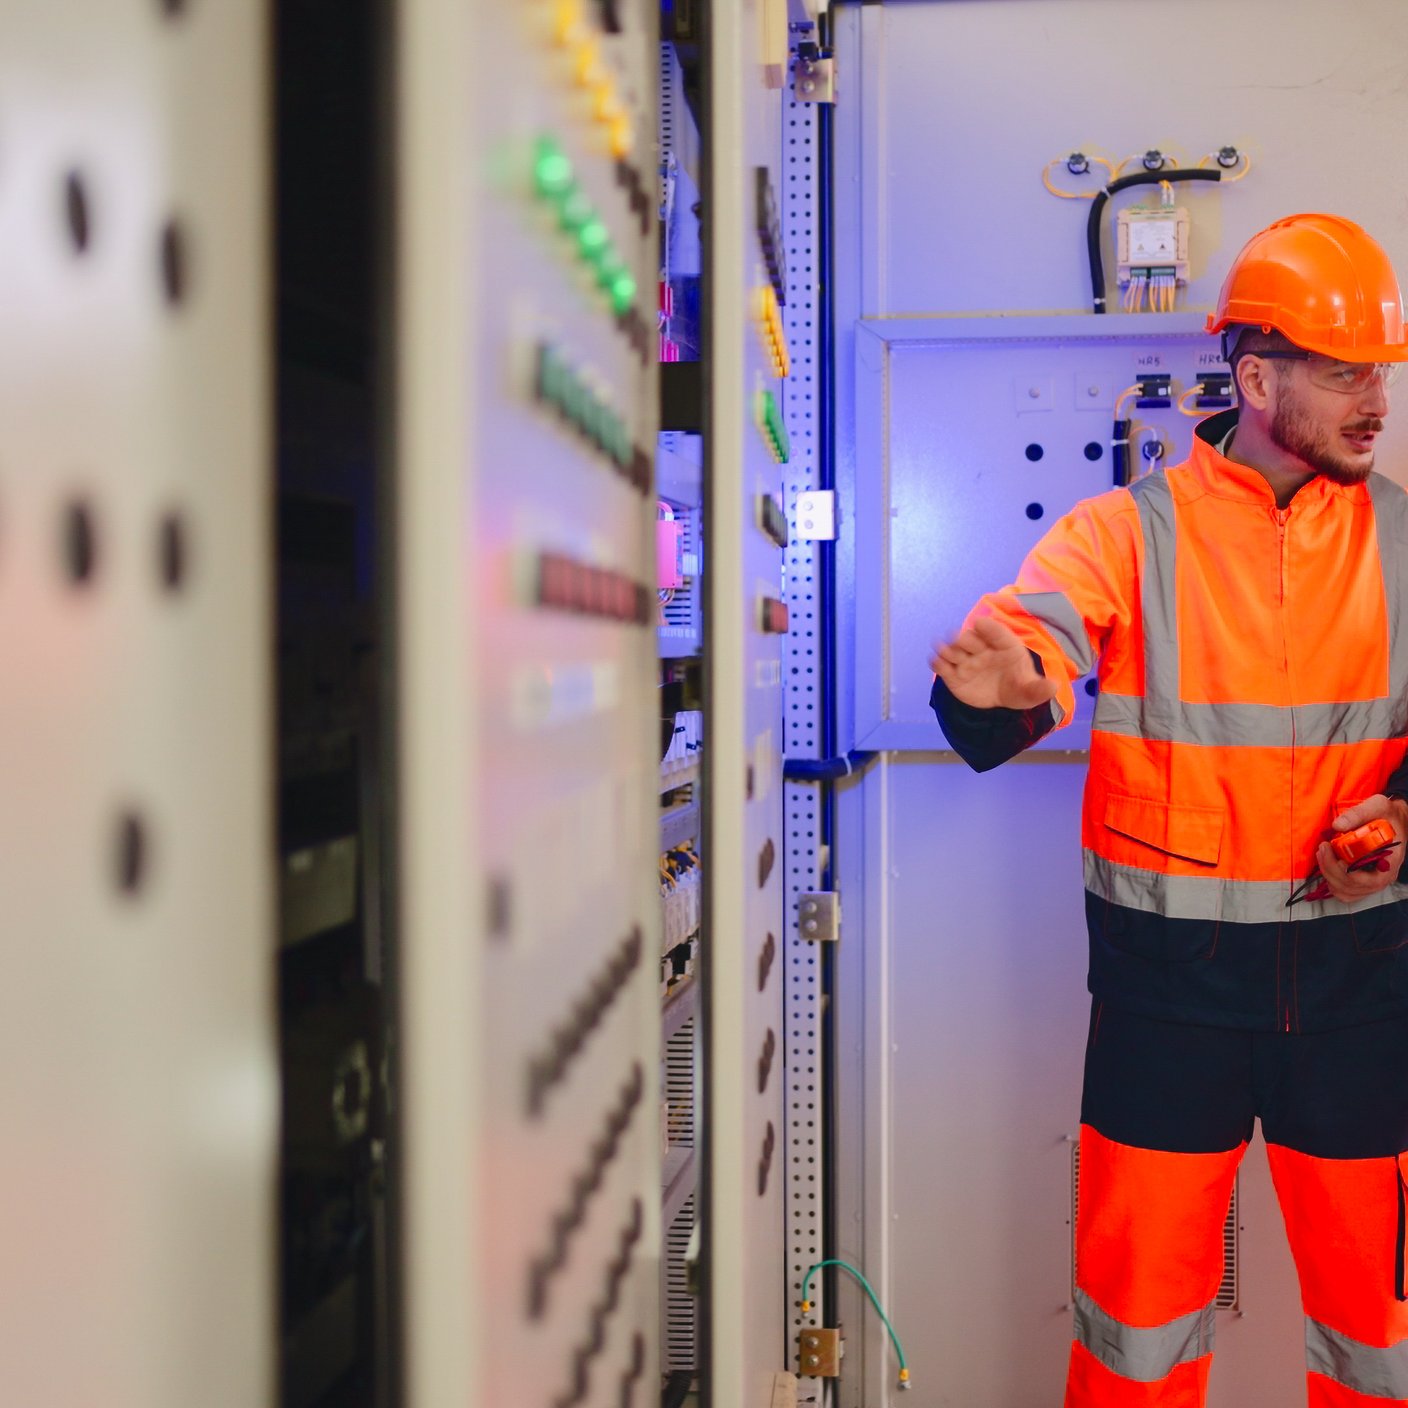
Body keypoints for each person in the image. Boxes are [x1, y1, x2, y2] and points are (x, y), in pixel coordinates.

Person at [930, 213, 1408, 1408]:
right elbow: (1031, 648)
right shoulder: (1124, 534)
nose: (1373, 402)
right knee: (1136, 1331)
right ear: (1257, 378)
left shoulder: (1404, 541)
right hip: (1166, 1001)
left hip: (1361, 992)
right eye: (1343, 373)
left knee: (1382, 1334)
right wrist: (1003, 695)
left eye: (1379, 373)